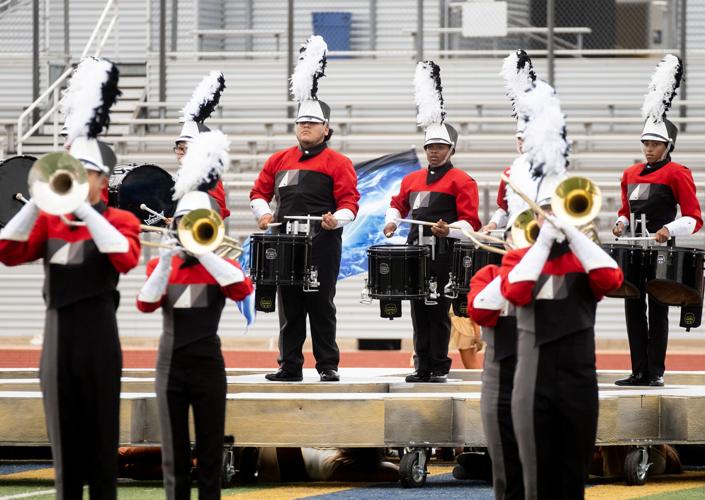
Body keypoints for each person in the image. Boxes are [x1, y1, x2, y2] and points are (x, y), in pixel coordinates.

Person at [0, 58, 140, 500]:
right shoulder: (49, 222)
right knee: (65, 445)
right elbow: (6, 251)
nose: (78, 179)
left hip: (99, 332)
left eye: (87, 173)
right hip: (58, 332)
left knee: (101, 444)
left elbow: (124, 257)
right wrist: (38, 198)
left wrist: (81, 209)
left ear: (101, 179)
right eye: (72, 171)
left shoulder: (120, 219)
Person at [249, 36, 359, 383]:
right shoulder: (278, 159)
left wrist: (334, 220)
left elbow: (350, 204)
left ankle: (328, 365)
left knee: (320, 304)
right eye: (301, 123)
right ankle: (289, 365)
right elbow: (258, 192)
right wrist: (264, 215)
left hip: (321, 241)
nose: (305, 128)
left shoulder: (338, 161)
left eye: (312, 124)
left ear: (326, 129)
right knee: (289, 305)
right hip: (284, 242)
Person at [136, 182, 253, 498]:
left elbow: (242, 290)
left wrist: (203, 252)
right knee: (173, 450)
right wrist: (165, 258)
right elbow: (145, 303)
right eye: (185, 222)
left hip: (208, 366)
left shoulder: (221, 267)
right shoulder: (161, 264)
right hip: (170, 366)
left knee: (210, 447)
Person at [384, 61, 481, 383]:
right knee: (417, 309)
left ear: (451, 149)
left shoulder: (462, 180)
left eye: (440, 147)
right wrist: (391, 222)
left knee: (437, 309)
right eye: (430, 147)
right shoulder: (412, 179)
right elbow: (397, 206)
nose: (434, 152)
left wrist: (448, 229)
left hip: (442, 253)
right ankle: (421, 364)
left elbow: (470, 223)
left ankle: (438, 366)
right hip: (415, 250)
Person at [613, 54, 702, 387]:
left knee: (659, 308)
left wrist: (668, 230)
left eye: (655, 144)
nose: (648, 149)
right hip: (634, 247)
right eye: (646, 143)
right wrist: (621, 223)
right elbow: (625, 209)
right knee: (632, 307)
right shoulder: (630, 173)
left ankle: (656, 372)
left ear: (668, 146)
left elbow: (694, 219)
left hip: (661, 248)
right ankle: (638, 371)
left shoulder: (678, 173)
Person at [175, 71, 230, 219]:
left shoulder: (209, 177)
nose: (180, 153)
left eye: (185, 148)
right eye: (179, 148)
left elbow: (219, 208)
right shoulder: (180, 175)